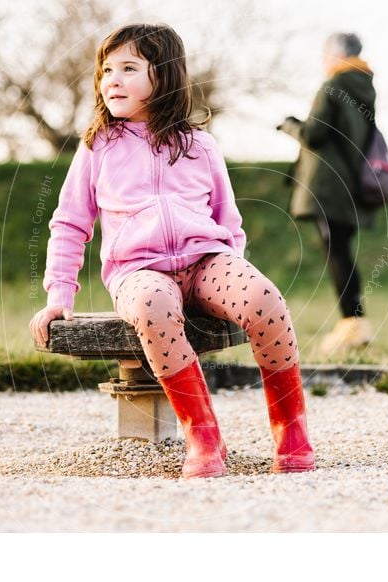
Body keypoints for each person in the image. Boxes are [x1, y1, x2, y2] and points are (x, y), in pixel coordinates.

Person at [29, 23, 314, 479]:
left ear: (162, 75)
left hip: (206, 263)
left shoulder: (200, 145)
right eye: (106, 70)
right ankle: (203, 435)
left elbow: (229, 220)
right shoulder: (98, 147)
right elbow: (69, 222)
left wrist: (232, 279)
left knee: (266, 301)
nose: (112, 80)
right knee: (154, 306)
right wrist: (58, 297)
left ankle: (291, 430)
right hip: (138, 272)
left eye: (128, 68)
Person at [278, 32, 377, 354]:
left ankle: (352, 324)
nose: (323, 61)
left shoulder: (332, 87)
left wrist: (289, 124)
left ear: (336, 55)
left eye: (324, 54)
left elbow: (314, 134)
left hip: (328, 187)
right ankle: (355, 322)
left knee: (336, 254)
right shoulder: (364, 88)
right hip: (351, 185)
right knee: (343, 252)